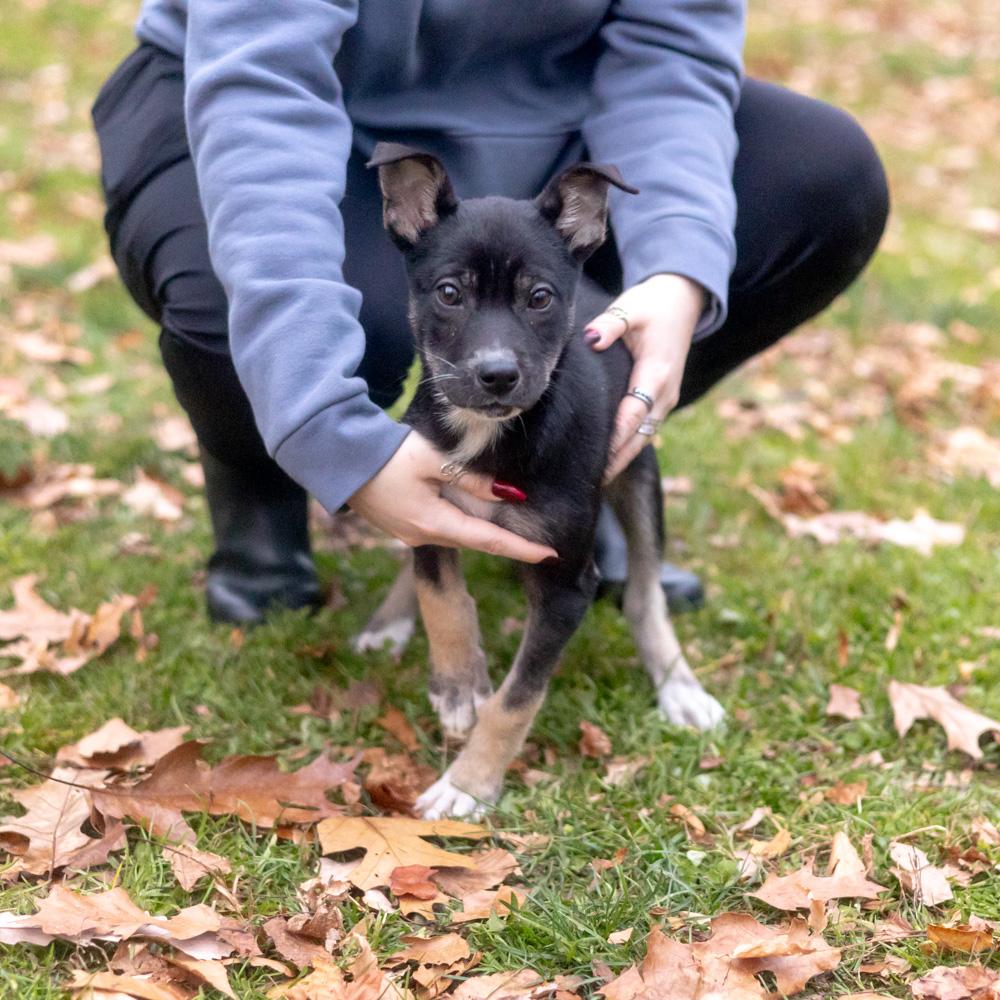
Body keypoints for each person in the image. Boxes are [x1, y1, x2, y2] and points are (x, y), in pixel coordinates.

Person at [92, 1, 888, 625]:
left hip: (555, 120)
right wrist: (321, 424)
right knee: (299, 306)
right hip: (263, 101)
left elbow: (670, 55)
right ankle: (261, 498)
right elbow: (264, 90)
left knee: (824, 176)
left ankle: (568, 464)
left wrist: (678, 269)